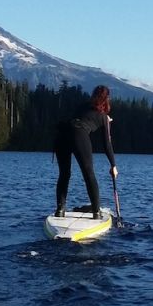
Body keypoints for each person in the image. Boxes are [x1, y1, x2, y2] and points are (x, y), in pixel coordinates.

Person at [53, 85, 118, 219]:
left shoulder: (83, 106)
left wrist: (106, 120)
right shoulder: (103, 117)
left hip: (62, 134)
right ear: (106, 99)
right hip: (78, 135)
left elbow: (82, 116)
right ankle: (96, 212)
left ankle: (60, 210)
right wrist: (113, 165)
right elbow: (107, 144)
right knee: (89, 174)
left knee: (64, 174)